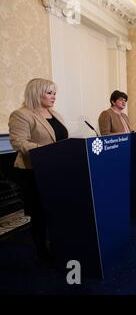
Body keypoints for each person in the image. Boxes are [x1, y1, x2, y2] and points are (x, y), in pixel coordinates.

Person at [8, 78, 69, 264]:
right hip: (33, 171)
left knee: (56, 209)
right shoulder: (21, 114)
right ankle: (42, 251)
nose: (54, 97)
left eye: (54, 93)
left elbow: (61, 138)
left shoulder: (55, 113)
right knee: (39, 213)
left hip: (56, 169)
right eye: (49, 93)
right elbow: (18, 142)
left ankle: (59, 243)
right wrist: (49, 151)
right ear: (36, 93)